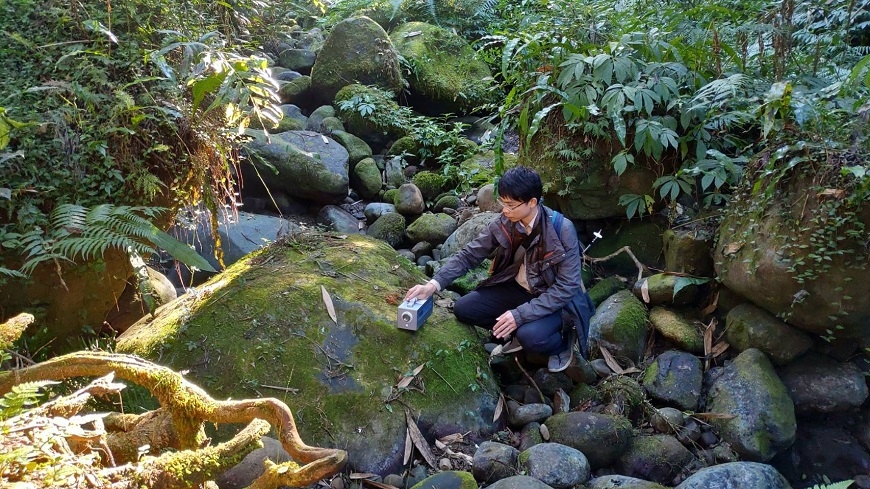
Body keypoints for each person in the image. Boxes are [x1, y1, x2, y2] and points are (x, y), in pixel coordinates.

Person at [404, 166, 585, 372]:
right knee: (464, 309)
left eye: (511, 205)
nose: (505, 210)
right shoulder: (506, 221)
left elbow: (567, 287)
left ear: (532, 202)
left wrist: (519, 315)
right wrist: (433, 285)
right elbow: (470, 254)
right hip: (516, 289)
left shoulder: (562, 229)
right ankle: (515, 331)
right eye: (502, 203)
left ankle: (561, 344)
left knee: (531, 336)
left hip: (551, 300)